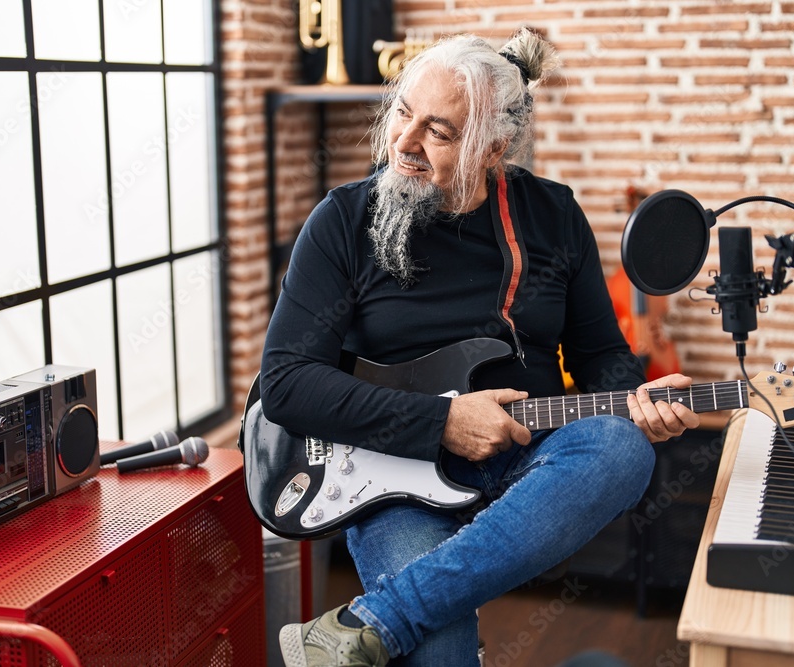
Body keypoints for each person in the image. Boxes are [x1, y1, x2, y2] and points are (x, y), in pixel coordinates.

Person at [260, 27, 699, 667]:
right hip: (392, 475)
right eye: (403, 113)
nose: (404, 143)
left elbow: (601, 355)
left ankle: (379, 618)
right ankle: (418, 615)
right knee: (441, 653)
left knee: (623, 448)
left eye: (438, 132)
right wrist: (442, 421)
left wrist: (635, 400)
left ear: (493, 147)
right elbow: (287, 383)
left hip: (532, 453)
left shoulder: (553, 217)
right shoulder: (342, 222)